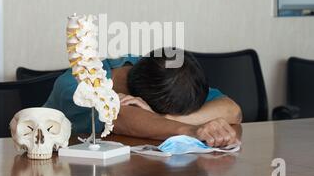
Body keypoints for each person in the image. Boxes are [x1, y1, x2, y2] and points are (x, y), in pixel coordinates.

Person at [45, 49, 242, 147]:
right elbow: (120, 118)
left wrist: (167, 119)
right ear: (138, 99)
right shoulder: (78, 82)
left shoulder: (163, 73)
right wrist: (192, 130)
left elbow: (231, 110)